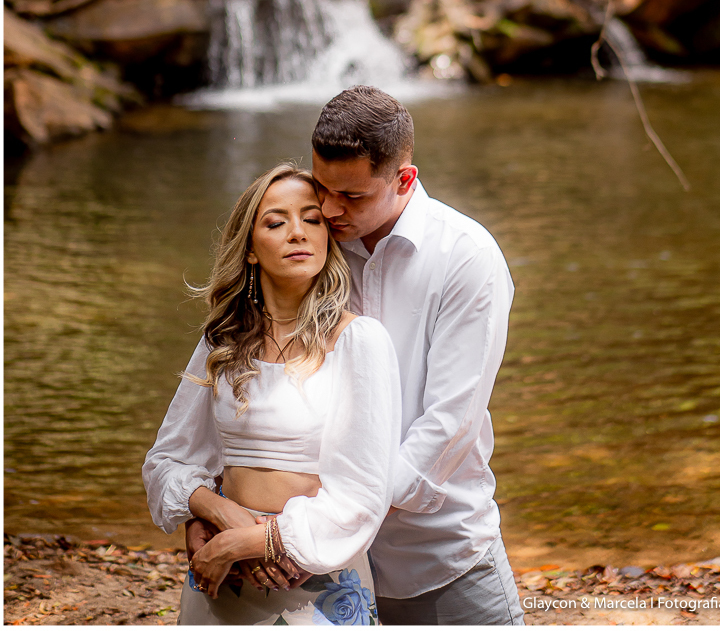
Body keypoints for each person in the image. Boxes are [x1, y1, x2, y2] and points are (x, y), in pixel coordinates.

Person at [175, 86, 524, 625]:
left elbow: (448, 426)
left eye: (352, 196)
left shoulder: (466, 259)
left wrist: (296, 530)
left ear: (404, 180)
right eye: (323, 189)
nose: (329, 211)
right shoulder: (314, 246)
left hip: (434, 553)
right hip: (306, 565)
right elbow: (262, 405)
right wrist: (220, 511)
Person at [143, 162, 402, 625]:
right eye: (276, 222)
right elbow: (166, 461)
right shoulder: (221, 341)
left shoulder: (360, 342)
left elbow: (364, 493)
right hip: (222, 576)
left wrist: (260, 540)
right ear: (250, 251)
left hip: (310, 573)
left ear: (328, 238)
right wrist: (211, 511)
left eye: (313, 219)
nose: (298, 233)